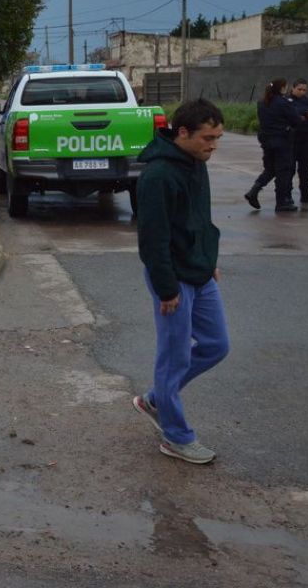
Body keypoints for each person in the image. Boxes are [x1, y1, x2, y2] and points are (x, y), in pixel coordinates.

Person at [133, 98, 229, 465]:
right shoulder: (157, 176)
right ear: (183, 132)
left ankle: (156, 399)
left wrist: (208, 259)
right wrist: (167, 288)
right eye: (208, 138)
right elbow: (152, 240)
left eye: (217, 138)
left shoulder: (195, 163)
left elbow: (200, 219)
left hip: (199, 271)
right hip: (172, 279)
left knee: (216, 345)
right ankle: (175, 436)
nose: (213, 146)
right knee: (173, 359)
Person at [243, 77, 308, 212]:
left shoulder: (262, 102)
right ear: (282, 88)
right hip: (282, 141)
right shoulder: (283, 102)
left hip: (266, 140)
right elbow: (296, 120)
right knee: (284, 171)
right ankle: (281, 202)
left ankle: (254, 191)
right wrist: (301, 118)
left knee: (271, 169)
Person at [290, 78, 308, 204]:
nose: (302, 92)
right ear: (293, 88)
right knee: (289, 169)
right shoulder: (288, 100)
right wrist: (307, 113)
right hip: (293, 139)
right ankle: (286, 195)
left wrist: (307, 114)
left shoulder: (307, 100)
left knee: (305, 169)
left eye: (304, 90)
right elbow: (294, 112)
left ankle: (305, 193)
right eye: (299, 89)